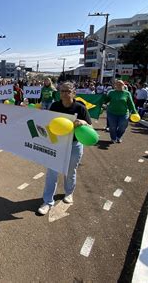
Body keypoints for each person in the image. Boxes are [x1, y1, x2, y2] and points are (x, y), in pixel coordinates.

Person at [38, 82, 92, 215]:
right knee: (52, 172)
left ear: (74, 93)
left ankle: (69, 193)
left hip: (74, 144)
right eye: (62, 91)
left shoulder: (80, 108)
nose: (64, 94)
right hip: (57, 144)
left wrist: (83, 122)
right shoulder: (55, 106)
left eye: (67, 91)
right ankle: (47, 201)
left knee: (70, 171)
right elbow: (48, 123)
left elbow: (90, 128)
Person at [104, 79, 138, 143]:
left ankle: (118, 137)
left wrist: (134, 112)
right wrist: (102, 100)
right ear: (115, 85)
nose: (119, 85)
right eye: (117, 84)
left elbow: (131, 103)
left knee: (123, 126)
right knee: (112, 127)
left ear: (123, 85)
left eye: (121, 84)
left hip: (124, 114)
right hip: (112, 113)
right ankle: (113, 138)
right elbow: (106, 100)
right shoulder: (111, 92)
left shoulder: (127, 93)